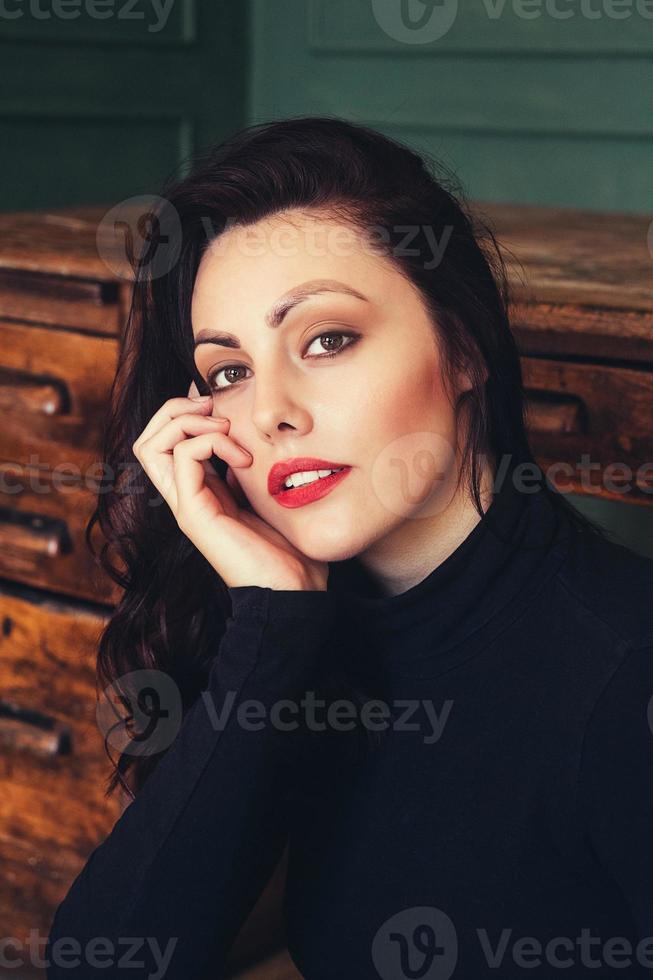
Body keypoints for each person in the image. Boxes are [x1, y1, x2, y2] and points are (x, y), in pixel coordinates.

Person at [46, 117, 653, 979]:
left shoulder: (626, 674)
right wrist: (272, 621)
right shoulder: (297, 634)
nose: (269, 412)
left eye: (327, 339)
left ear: (465, 348)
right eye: (229, 371)